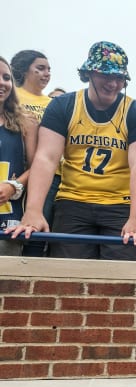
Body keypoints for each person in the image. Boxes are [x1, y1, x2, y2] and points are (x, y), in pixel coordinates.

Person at [7, 41, 136, 260]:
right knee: (69, 272)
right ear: (89, 74)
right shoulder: (63, 106)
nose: (113, 83)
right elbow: (46, 158)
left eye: (119, 78)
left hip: (118, 204)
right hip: (72, 202)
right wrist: (34, 210)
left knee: (124, 275)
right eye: (106, 75)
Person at [10, 50, 54, 257]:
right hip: (14, 169)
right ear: (24, 70)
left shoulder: (53, 104)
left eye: (49, 69)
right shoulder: (13, 96)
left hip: (47, 174)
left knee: (38, 224)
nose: (46, 74)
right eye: (40, 68)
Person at [0, 56, 37, 256]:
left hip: (8, 220)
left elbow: (37, 167)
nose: (2, 82)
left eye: (6, 77)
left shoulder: (26, 123)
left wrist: (14, 185)